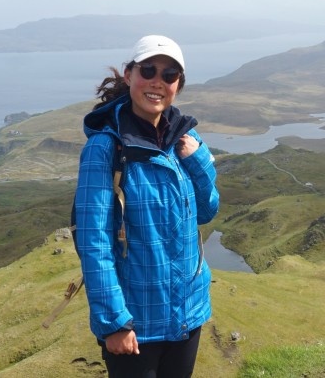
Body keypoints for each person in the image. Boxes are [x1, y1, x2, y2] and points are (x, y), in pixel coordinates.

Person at [74, 35, 219, 377]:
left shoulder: (185, 139)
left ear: (178, 85)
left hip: (188, 312)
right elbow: (94, 241)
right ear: (129, 75)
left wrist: (197, 161)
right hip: (136, 322)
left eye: (169, 75)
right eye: (148, 70)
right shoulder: (105, 148)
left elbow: (207, 210)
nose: (158, 81)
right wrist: (113, 323)